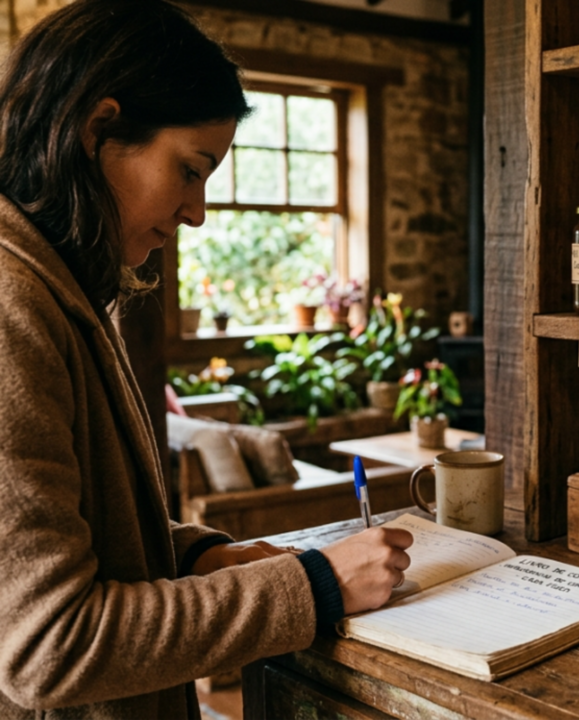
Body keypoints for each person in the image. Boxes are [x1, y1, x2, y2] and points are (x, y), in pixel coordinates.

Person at [0, 1, 413, 717]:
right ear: (99, 130)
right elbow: (49, 645)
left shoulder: (52, 286)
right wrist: (316, 588)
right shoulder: (11, 307)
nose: (196, 211)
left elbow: (71, 531)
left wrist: (195, 557)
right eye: (190, 170)